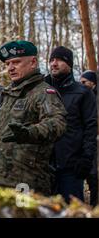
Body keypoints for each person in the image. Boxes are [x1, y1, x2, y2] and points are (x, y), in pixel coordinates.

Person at [0, 40, 67, 196]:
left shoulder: (43, 93)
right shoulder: (8, 93)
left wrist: (30, 132)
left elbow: (58, 123)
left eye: (16, 62)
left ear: (33, 62)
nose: (10, 68)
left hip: (26, 184)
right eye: (8, 64)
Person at [45, 47, 97, 202]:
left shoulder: (83, 93)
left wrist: (86, 159)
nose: (54, 63)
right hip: (43, 167)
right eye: (52, 60)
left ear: (69, 63)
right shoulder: (43, 90)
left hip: (71, 168)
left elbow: (90, 127)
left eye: (59, 60)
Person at [80, 70, 98, 206]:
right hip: (84, 140)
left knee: (93, 174)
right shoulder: (83, 96)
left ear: (93, 82)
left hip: (95, 140)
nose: (82, 85)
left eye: (84, 82)